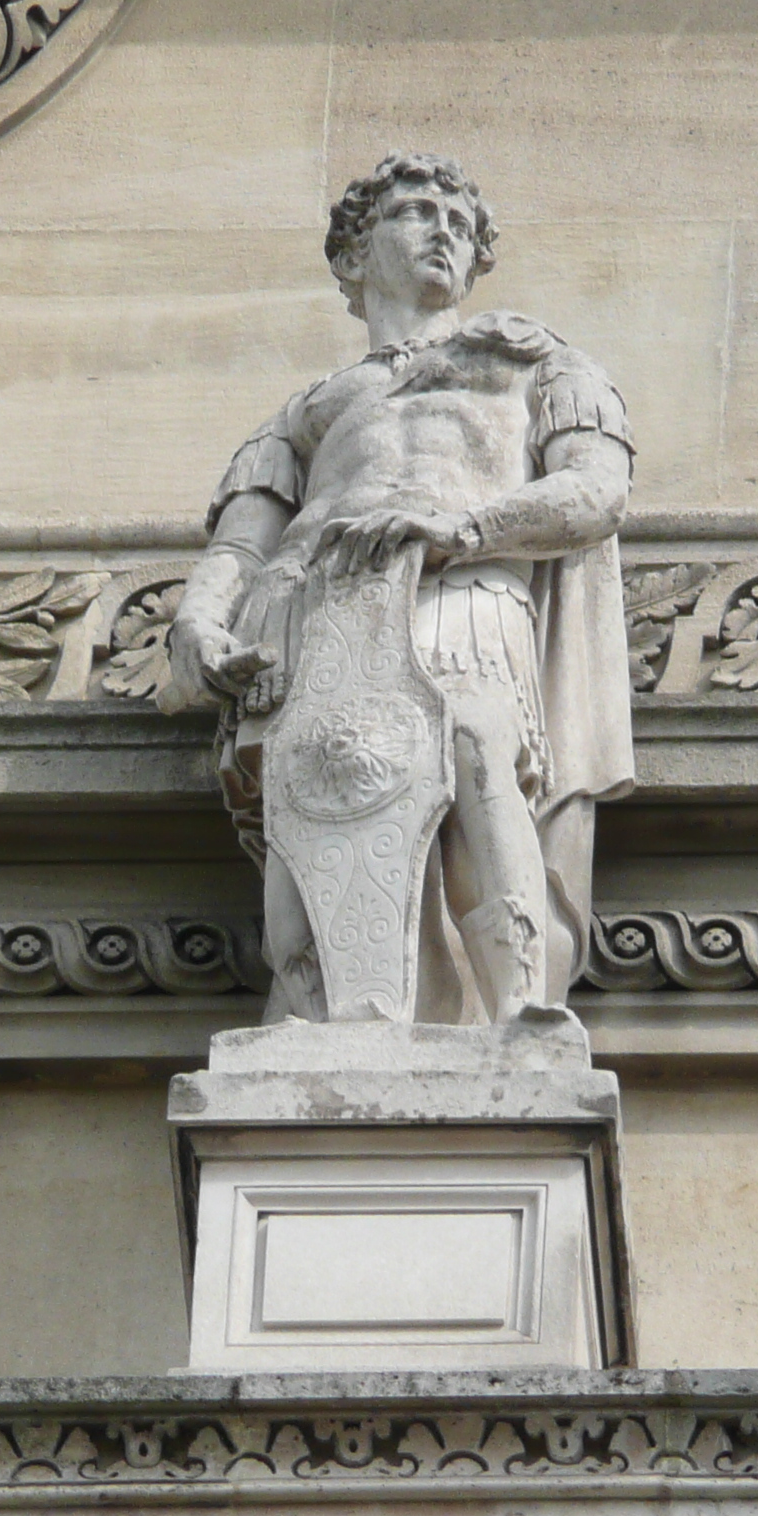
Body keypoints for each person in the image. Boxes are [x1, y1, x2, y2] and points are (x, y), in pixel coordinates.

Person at [167, 152, 634, 1029]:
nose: (443, 232)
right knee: (314, 803)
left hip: (460, 584)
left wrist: (465, 532)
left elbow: (596, 493)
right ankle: (311, 1018)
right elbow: (240, 542)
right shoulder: (305, 412)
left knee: (475, 751)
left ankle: (519, 1009)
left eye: (460, 224)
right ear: (352, 256)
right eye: (416, 213)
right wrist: (197, 623)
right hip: (311, 615)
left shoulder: (532, 363)